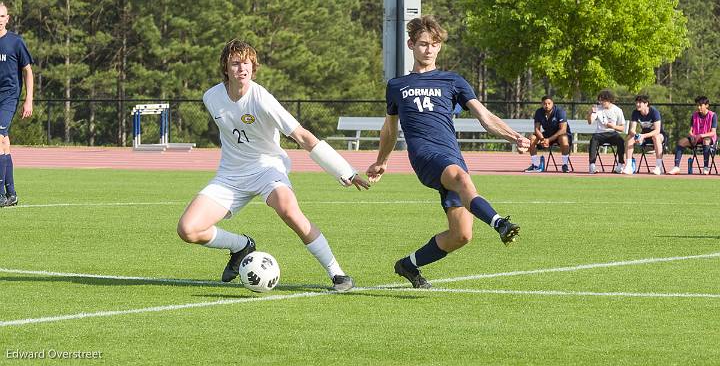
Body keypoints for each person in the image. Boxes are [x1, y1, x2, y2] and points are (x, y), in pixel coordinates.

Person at [177, 39, 369, 292]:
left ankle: (337, 274)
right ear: (226, 67)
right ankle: (241, 246)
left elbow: (302, 136)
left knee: (289, 211)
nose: (241, 69)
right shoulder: (211, 97)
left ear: (253, 67)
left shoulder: (262, 99)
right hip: (230, 176)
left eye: (246, 63)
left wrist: (344, 171)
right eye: (235, 63)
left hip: (268, 170)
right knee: (188, 229)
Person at [365, 15, 530, 289]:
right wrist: (381, 161)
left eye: (434, 44)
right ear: (411, 45)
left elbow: (484, 116)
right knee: (462, 180)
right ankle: (500, 223)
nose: (428, 49)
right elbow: (390, 130)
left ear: (440, 47)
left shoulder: (452, 81)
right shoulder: (397, 86)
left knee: (461, 235)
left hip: (451, 156)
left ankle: (408, 265)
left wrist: (514, 136)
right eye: (422, 44)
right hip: (425, 157)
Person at [0, 2, 33, 208]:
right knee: (4, 142)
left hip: (9, 97)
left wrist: (28, 99)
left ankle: (0, 195)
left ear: (7, 18)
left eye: (2, 16)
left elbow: (28, 71)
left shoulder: (15, 42)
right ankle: (11, 193)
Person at [668, 96, 717, 175]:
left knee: (706, 140)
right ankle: (676, 167)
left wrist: (701, 135)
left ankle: (705, 167)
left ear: (707, 105)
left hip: (707, 138)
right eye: (697, 105)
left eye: (701, 105)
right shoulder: (694, 115)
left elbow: (713, 132)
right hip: (696, 138)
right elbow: (690, 131)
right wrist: (692, 136)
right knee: (681, 142)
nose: (698, 107)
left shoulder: (712, 115)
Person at [524, 95, 572, 173]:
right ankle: (535, 165)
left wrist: (548, 140)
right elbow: (537, 129)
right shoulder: (539, 112)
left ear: (553, 103)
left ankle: (565, 165)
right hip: (547, 135)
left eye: (549, 103)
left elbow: (563, 130)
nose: (547, 105)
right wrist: (543, 139)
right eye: (544, 104)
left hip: (560, 135)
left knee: (563, 138)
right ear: (542, 104)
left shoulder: (560, 111)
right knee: (532, 138)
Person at [622, 95, 666, 175]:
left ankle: (659, 167)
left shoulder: (654, 112)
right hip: (644, 136)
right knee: (629, 137)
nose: (637, 104)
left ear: (646, 104)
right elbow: (632, 129)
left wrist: (643, 136)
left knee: (655, 137)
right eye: (637, 102)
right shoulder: (635, 112)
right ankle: (628, 166)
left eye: (640, 102)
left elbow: (657, 130)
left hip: (659, 136)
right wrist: (637, 136)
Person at [586, 90, 626, 174]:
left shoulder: (617, 110)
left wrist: (613, 126)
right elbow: (590, 122)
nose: (601, 103)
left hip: (612, 133)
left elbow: (622, 128)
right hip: (600, 133)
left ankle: (620, 165)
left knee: (621, 140)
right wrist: (590, 113)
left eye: (603, 100)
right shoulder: (598, 108)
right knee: (593, 140)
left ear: (609, 100)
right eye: (600, 100)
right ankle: (592, 165)